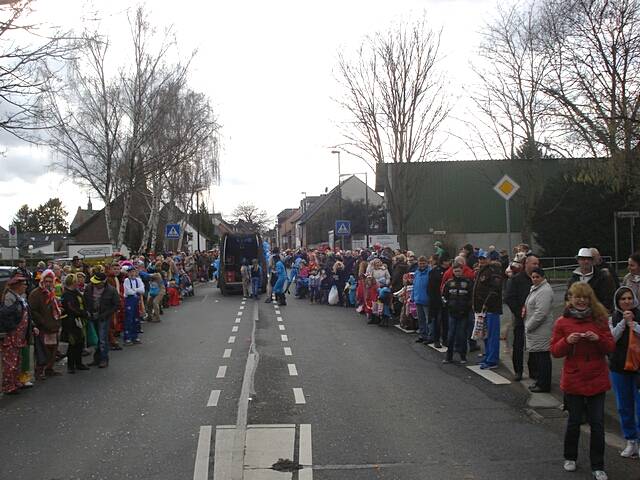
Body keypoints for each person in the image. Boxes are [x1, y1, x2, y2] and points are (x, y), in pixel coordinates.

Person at [551, 282, 615, 479]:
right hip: (574, 377)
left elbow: (610, 347)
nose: (581, 301)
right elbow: (555, 351)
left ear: (590, 299)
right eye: (577, 297)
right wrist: (567, 341)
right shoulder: (562, 322)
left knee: (597, 424)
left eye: (585, 297)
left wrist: (598, 339)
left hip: (596, 376)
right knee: (574, 421)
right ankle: (570, 456)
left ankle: (598, 465)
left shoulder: (600, 319)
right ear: (570, 299)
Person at [608, 286, 640, 458]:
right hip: (619, 367)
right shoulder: (613, 318)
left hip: (638, 368)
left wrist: (634, 325)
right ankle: (631, 440)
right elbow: (611, 339)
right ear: (618, 301)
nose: (627, 302)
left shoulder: (639, 315)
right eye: (623, 299)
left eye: (629, 298)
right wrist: (623, 323)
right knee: (624, 406)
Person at [505, 255, 539, 381]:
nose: (536, 266)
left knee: (534, 346)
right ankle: (518, 371)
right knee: (518, 345)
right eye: (534, 264)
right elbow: (509, 297)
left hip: (535, 318)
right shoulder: (516, 279)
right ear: (526, 264)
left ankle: (533, 371)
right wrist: (520, 312)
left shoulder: (538, 279)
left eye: (537, 264)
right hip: (521, 317)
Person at [1, 275, 34, 394]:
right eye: (24, 284)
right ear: (17, 286)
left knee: (17, 360)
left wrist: (32, 326)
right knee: (10, 361)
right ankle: (8, 386)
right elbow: (5, 315)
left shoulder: (21, 297)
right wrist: (12, 328)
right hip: (12, 335)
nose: (26, 286)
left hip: (20, 335)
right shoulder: (10, 297)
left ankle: (15, 382)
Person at [523, 267, 554, 392]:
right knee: (539, 358)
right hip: (536, 330)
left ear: (543, 277)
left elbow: (541, 313)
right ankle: (539, 381)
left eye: (537, 277)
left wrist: (528, 326)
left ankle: (544, 384)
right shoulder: (536, 289)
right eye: (533, 277)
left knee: (543, 358)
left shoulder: (544, 291)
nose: (535, 279)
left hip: (541, 329)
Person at [28, 269, 62, 379]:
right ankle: (39, 371)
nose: (48, 283)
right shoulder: (35, 294)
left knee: (53, 349)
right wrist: (42, 322)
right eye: (46, 281)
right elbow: (33, 310)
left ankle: (49, 369)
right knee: (42, 350)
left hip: (53, 326)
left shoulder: (51, 293)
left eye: (50, 281)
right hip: (43, 327)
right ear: (42, 281)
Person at [473, 251, 503, 369]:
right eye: (480, 259)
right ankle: (488, 355)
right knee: (485, 334)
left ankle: (492, 360)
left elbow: (494, 290)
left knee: (492, 334)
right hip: (482, 309)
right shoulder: (483, 270)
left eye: (484, 258)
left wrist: (486, 303)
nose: (481, 261)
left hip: (491, 308)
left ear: (489, 259)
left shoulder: (493, 270)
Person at [84, 272, 120, 368]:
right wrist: (87, 311)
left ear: (103, 282)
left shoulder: (111, 290)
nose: (95, 284)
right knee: (96, 340)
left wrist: (106, 314)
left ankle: (104, 359)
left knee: (103, 339)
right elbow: (85, 301)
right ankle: (97, 359)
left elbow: (116, 305)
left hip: (103, 317)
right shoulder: (89, 288)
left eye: (97, 282)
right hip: (92, 316)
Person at [567, 247, 616, 312]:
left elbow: (608, 298)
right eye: (583, 259)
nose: (586, 261)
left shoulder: (602, 277)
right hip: (577, 314)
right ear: (578, 260)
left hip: (597, 315)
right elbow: (568, 297)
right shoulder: (573, 278)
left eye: (588, 259)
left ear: (592, 261)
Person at [442, 265, 473, 364]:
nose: (457, 273)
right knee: (451, 336)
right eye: (455, 271)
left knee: (462, 335)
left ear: (462, 271)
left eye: (459, 271)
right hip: (452, 313)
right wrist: (448, 305)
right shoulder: (449, 283)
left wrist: (467, 307)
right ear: (453, 272)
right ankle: (449, 356)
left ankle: (463, 356)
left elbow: (471, 297)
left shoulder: (467, 283)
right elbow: (443, 296)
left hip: (464, 313)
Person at [60, 274, 89, 374]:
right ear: (73, 282)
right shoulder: (67, 294)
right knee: (73, 343)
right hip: (71, 321)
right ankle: (71, 365)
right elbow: (70, 308)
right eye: (77, 280)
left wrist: (84, 312)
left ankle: (79, 363)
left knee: (80, 342)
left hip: (79, 320)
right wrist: (82, 313)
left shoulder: (75, 292)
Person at [123, 266, 145, 345]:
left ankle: (135, 336)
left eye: (133, 272)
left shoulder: (138, 280)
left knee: (136, 318)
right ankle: (127, 337)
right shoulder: (126, 280)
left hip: (136, 301)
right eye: (130, 272)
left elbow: (142, 290)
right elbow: (128, 292)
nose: (132, 273)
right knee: (129, 319)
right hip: (129, 301)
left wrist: (134, 290)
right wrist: (136, 290)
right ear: (128, 273)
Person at [411, 256, 431, 343]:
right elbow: (414, 285)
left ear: (427, 263)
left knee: (428, 320)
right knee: (421, 319)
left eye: (424, 263)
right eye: (420, 263)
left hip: (427, 300)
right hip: (418, 299)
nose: (422, 265)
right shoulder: (417, 272)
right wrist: (412, 297)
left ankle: (430, 336)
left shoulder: (430, 272)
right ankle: (423, 335)